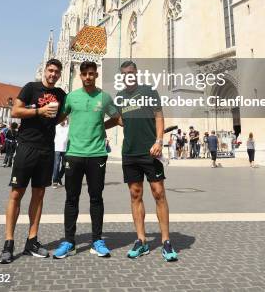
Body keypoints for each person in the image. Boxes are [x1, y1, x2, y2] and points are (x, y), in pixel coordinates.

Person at [106, 60, 178, 262]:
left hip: (151, 151)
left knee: (159, 193)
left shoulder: (149, 91)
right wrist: (99, 126)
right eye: (124, 73)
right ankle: (141, 240)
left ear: (136, 73)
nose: (128, 75)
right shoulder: (120, 97)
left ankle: (165, 241)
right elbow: (118, 120)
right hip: (129, 152)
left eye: (131, 72)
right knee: (135, 194)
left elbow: (159, 117)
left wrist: (159, 141)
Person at [0, 58, 66, 264]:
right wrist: (39, 111)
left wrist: (56, 118)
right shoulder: (31, 88)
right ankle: (8, 243)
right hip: (27, 146)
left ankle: (32, 241)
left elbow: (62, 116)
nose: (53, 74)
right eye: (51, 70)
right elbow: (16, 111)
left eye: (56, 72)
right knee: (16, 193)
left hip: (46, 149)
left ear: (60, 74)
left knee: (39, 195)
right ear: (45, 71)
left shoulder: (61, 94)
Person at [52, 61, 118, 259]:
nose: (88, 77)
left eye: (92, 73)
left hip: (97, 154)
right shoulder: (71, 97)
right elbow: (57, 118)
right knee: (71, 198)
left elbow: (116, 118)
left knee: (96, 198)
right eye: (85, 74)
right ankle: (69, 241)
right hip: (74, 153)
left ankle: (97, 240)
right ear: (80, 76)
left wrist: (101, 128)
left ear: (96, 75)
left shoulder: (104, 97)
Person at [52, 120, 68, 187]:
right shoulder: (56, 127)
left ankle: (59, 177)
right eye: (62, 119)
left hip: (66, 149)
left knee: (65, 166)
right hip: (57, 149)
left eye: (64, 119)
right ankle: (55, 181)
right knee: (57, 165)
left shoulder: (68, 127)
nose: (63, 121)